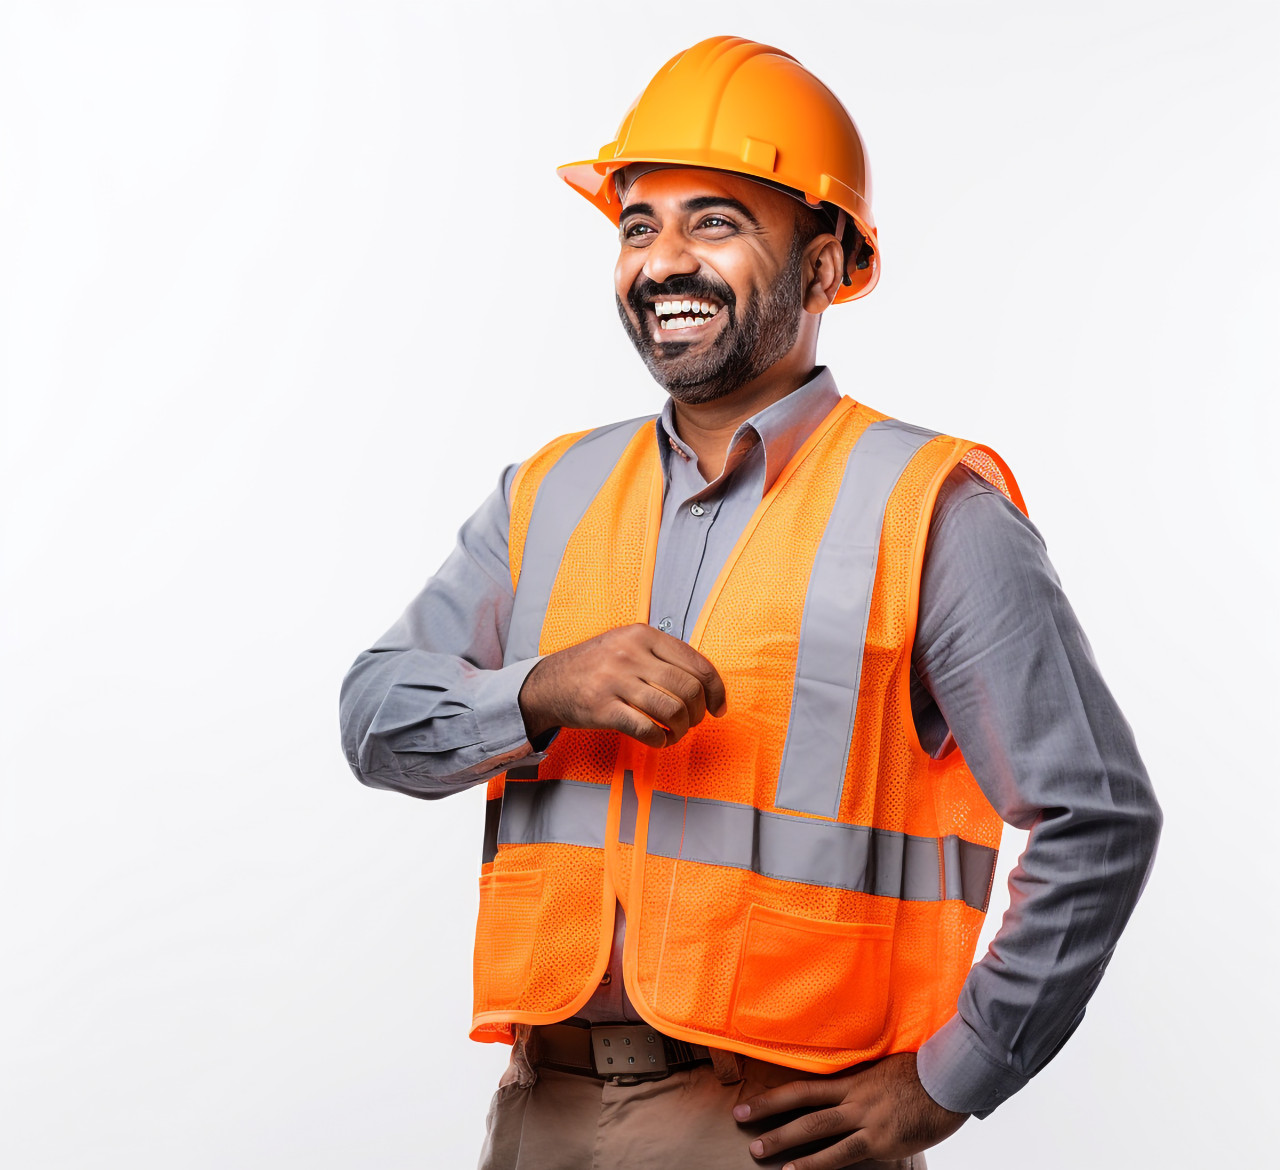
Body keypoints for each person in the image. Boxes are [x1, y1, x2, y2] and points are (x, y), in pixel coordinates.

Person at [338, 36, 1162, 1170]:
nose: (662, 261)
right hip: (545, 1109)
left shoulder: (932, 510)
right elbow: (375, 720)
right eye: (637, 225)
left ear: (824, 265)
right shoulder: (546, 491)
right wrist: (541, 689)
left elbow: (1098, 815)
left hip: (772, 1131)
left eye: (714, 222)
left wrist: (946, 1083)